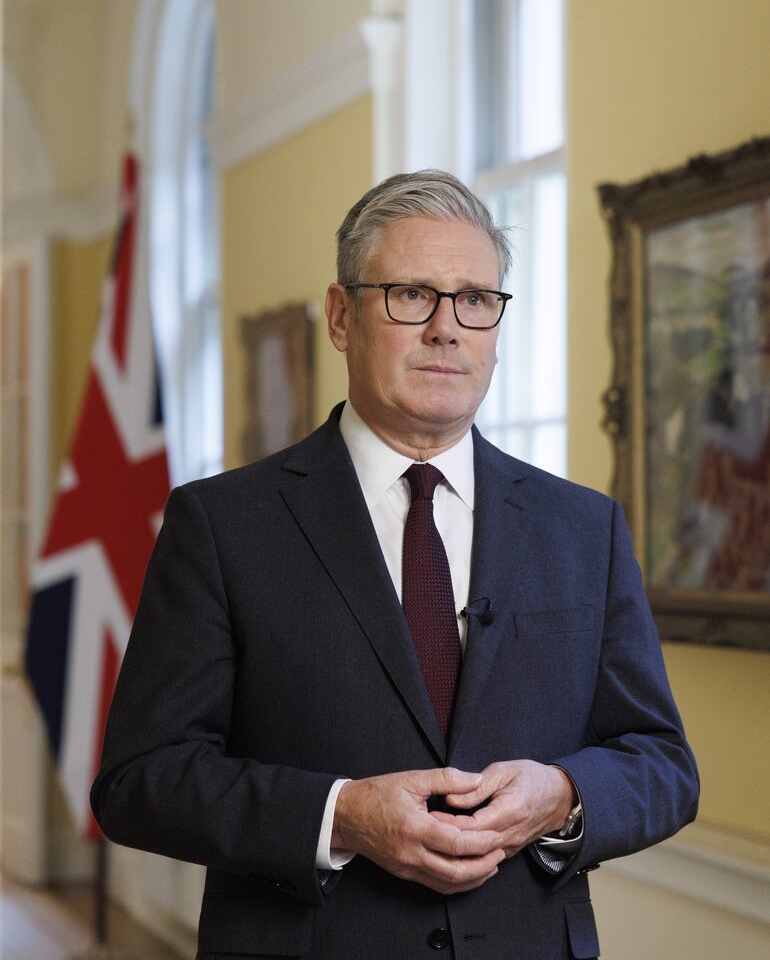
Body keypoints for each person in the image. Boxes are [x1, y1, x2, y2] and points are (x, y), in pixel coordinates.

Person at [92, 170, 699, 960]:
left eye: (475, 300)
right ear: (342, 316)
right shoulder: (221, 524)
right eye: (412, 295)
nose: (447, 329)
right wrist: (340, 815)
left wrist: (562, 795)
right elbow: (141, 780)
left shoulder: (585, 527)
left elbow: (662, 763)